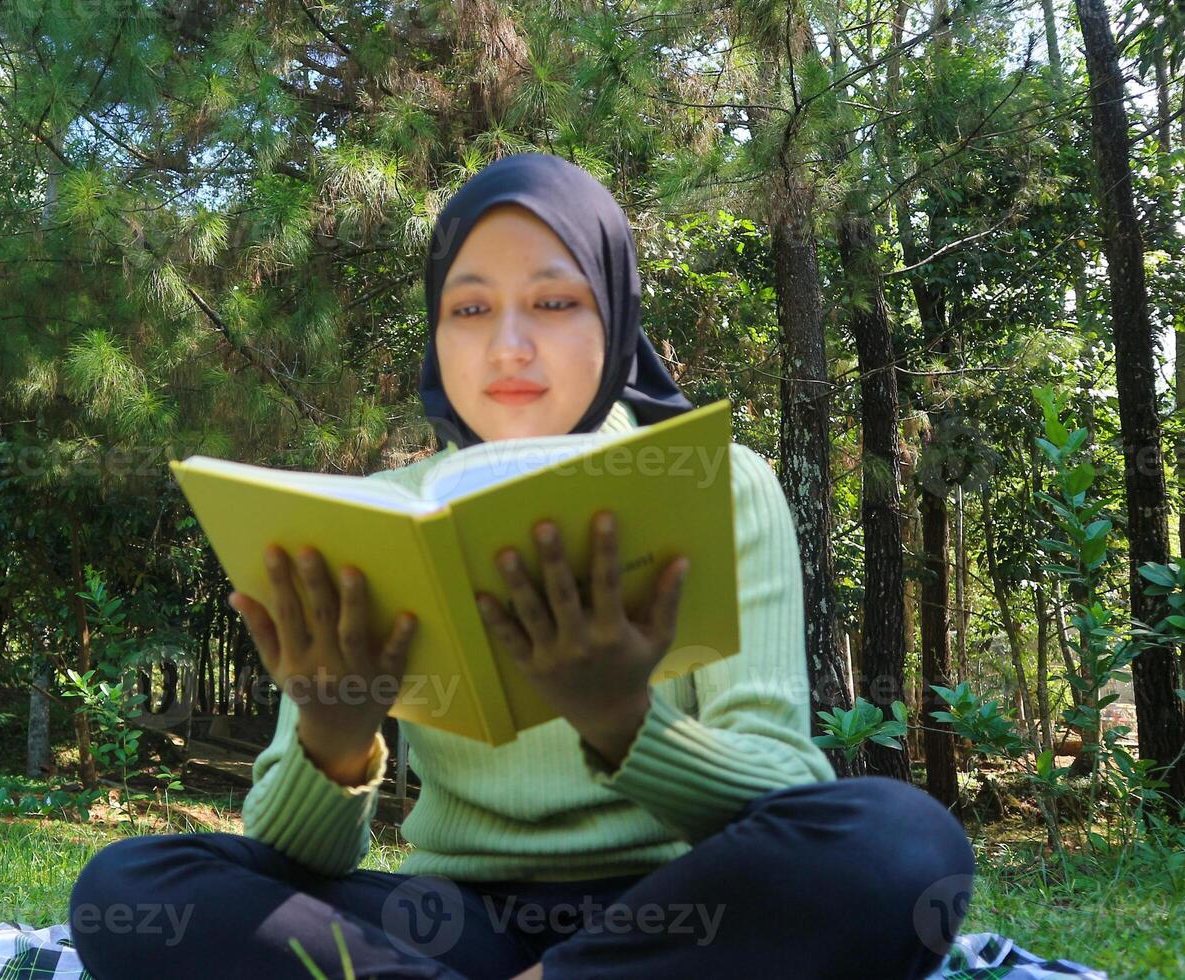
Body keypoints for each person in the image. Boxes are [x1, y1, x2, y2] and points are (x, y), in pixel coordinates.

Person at [69, 152, 975, 979]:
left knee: (900, 845)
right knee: (135, 884)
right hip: (450, 921)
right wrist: (334, 738)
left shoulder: (718, 482)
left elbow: (782, 793)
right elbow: (297, 857)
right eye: (468, 308)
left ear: (614, 314)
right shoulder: (379, 509)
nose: (506, 346)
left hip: (678, 910)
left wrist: (624, 721)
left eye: (552, 302)